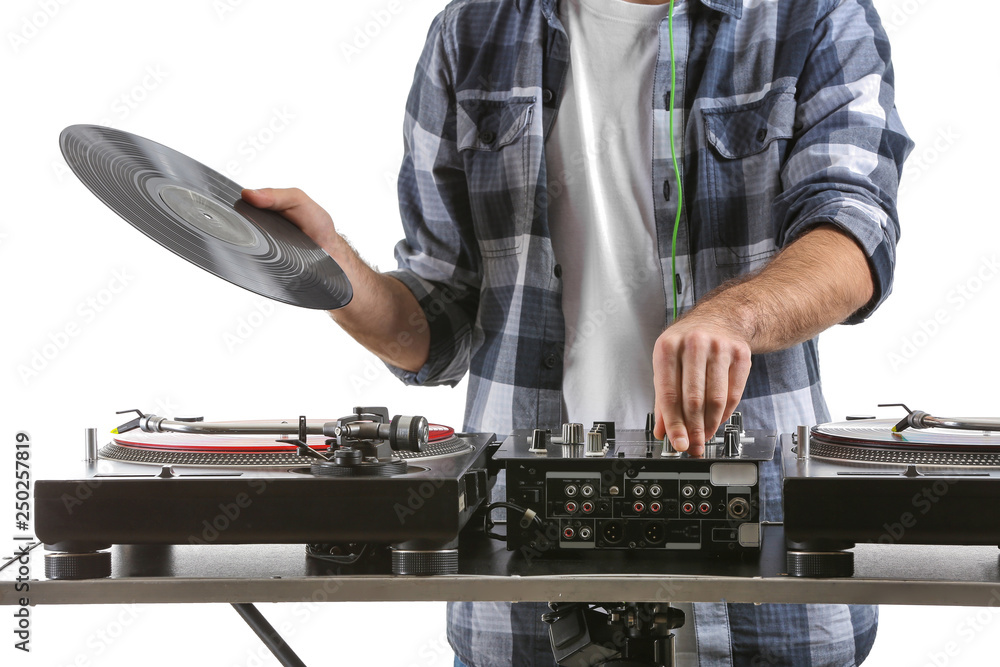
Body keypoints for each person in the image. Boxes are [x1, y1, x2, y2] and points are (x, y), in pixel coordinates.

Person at [242, 0, 912, 663]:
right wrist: (329, 270)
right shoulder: (469, 30)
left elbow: (854, 232)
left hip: (763, 584)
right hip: (521, 586)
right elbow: (434, 328)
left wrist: (735, 314)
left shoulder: (814, 16)